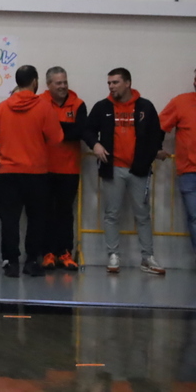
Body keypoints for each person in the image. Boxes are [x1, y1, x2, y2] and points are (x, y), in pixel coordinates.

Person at [84, 67, 166, 275]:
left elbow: (157, 133)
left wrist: (150, 155)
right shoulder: (103, 107)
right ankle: (113, 255)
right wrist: (95, 144)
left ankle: (147, 258)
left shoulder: (145, 107)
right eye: (109, 83)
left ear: (127, 83)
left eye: (115, 82)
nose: (111, 87)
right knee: (112, 214)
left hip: (139, 169)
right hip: (113, 169)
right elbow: (87, 129)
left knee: (143, 215)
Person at [0, 65, 63, 278]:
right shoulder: (44, 107)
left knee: (10, 220)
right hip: (36, 172)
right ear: (34, 81)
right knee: (36, 219)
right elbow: (57, 138)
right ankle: (32, 261)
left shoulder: (2, 108)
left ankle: (11, 263)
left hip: (8, 173)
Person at [42, 66, 87, 270]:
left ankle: (65, 253)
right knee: (45, 213)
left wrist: (54, 128)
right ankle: (48, 253)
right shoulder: (39, 102)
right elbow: (37, 130)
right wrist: (65, 128)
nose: (62, 86)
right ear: (48, 85)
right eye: (58, 83)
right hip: (43, 168)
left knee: (65, 213)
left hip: (69, 169)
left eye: (65, 82)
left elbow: (80, 131)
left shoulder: (78, 104)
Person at [160, 69, 196, 258]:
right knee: (195, 217)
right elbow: (159, 126)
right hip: (189, 171)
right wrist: (156, 148)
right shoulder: (181, 102)